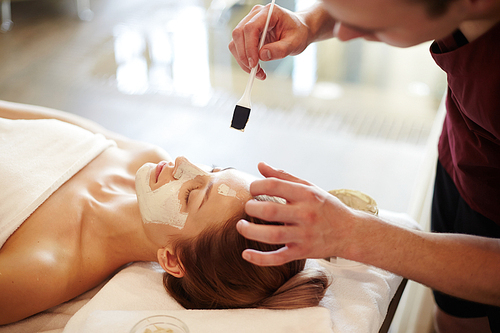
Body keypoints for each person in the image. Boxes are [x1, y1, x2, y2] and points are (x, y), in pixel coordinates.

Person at [229, 0, 500, 332]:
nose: (341, 35)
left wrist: (354, 234)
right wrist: (311, 21)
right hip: (467, 158)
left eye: (373, 29)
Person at [0, 100, 328, 326]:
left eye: (191, 194)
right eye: (213, 169)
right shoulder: (147, 156)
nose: (184, 162)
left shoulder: (43, 266)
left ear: (172, 260)